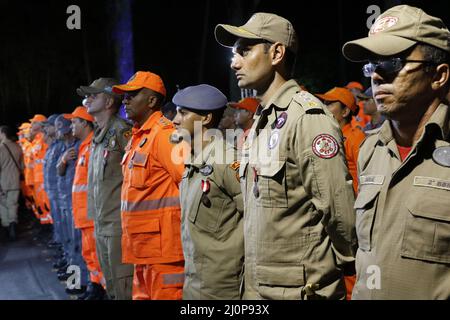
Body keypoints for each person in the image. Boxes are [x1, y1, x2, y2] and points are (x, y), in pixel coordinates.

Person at [215, 12, 356, 300]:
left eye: (244, 51)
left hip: (300, 290)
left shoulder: (306, 117)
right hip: (259, 286)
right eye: (234, 54)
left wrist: (338, 265)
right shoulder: (262, 121)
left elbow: (338, 211)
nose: (234, 62)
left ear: (277, 53)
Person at [342, 4, 450, 299]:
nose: (376, 76)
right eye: (371, 66)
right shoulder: (370, 150)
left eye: (391, 63)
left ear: (438, 75)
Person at [113, 71, 185, 300]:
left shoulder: (165, 136)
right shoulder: (138, 137)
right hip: (142, 249)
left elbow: (190, 185)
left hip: (165, 254)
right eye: (125, 96)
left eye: (132, 95)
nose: (125, 100)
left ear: (152, 101)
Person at [172, 84, 244, 299]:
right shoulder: (195, 160)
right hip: (195, 280)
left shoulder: (227, 160)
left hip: (223, 287)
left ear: (205, 119)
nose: (175, 120)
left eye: (183, 113)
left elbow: (255, 220)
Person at [77, 77, 134, 300]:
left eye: (93, 95)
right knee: (111, 286)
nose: (87, 99)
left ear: (109, 101)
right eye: (87, 95)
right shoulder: (98, 137)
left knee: (124, 287)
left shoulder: (122, 132)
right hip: (101, 225)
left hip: (118, 227)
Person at [65, 106, 106, 299]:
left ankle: (102, 290)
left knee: (98, 257)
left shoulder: (92, 147)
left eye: (74, 121)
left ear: (85, 123)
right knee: (90, 255)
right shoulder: (82, 148)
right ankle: (95, 286)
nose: (71, 125)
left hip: (92, 215)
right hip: (83, 215)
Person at [316, 87, 366, 193]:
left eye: (329, 103)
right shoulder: (328, 136)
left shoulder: (355, 138)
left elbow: (368, 175)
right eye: (324, 103)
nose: (324, 107)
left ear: (345, 111)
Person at [42, 114, 64, 248]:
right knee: (59, 221)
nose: (45, 130)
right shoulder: (53, 146)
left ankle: (66, 251)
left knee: (63, 222)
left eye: (48, 126)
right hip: (54, 190)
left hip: (59, 190)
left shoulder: (60, 145)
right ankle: (64, 249)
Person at [0, 125, 23, 241]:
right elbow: (22, 166)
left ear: (3, 133)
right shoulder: (18, 147)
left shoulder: (0, 148)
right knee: (13, 204)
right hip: (15, 181)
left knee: (3, 205)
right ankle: (13, 224)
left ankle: (7, 228)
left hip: (2, 182)